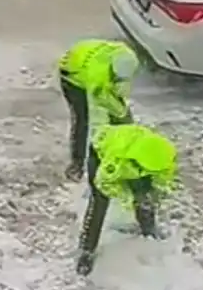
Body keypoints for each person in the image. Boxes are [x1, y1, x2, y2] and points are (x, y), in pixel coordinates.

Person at [57, 39, 177, 275]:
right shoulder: (98, 78)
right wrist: (123, 193)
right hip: (75, 76)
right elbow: (104, 184)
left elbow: (162, 184)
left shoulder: (163, 157)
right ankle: (86, 252)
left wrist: (149, 195)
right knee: (100, 203)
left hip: (131, 149)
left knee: (143, 194)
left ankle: (148, 227)